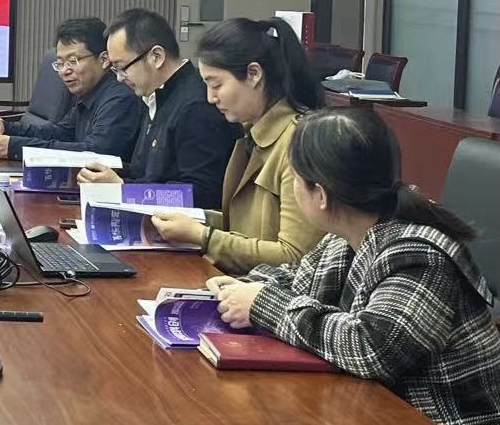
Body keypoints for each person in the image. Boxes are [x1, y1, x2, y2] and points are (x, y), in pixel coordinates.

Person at [208, 108, 500, 425]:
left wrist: (264, 304)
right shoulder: (347, 235)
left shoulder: (418, 256)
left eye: (295, 178)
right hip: (370, 405)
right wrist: (242, 288)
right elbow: (296, 278)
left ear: (320, 195)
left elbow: (370, 349)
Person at [149, 17, 323, 274]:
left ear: (253, 74)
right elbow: (243, 228)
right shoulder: (250, 135)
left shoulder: (299, 143)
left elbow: (295, 257)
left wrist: (203, 236)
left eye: (216, 85)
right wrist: (195, 221)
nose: (210, 98)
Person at [75, 9, 239, 209]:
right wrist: (106, 173)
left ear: (156, 56)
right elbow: (147, 173)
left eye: (122, 67)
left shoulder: (196, 106)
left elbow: (201, 194)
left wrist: (124, 188)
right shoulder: (156, 95)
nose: (119, 77)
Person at [0, 17, 143, 160]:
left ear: (104, 60)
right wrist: (7, 128)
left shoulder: (120, 98)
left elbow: (95, 153)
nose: (64, 71)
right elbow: (62, 132)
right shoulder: (90, 92)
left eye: (73, 61)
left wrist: (15, 147)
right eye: (60, 63)